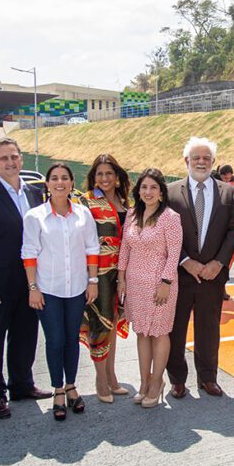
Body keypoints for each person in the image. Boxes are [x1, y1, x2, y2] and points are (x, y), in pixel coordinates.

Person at [0, 137, 51, 420]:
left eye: (14, 157)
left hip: (30, 282)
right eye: (4, 158)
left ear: (21, 159)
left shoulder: (35, 194)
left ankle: (22, 384)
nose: (10, 162)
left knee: (25, 335)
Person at [22, 163, 100, 421]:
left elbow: (92, 248)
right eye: (54, 178)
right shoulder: (35, 216)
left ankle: (71, 386)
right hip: (48, 289)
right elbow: (29, 253)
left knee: (71, 339)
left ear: (71, 183)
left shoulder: (83, 215)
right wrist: (33, 288)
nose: (59, 182)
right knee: (55, 340)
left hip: (77, 288)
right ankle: (57, 388)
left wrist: (93, 281)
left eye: (64, 178)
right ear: (47, 184)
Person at [166, 137, 234, 399]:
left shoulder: (228, 193)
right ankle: (177, 379)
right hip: (180, 273)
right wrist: (185, 261)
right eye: (196, 158)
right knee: (175, 329)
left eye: (206, 158)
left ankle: (208, 377)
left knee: (209, 328)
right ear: (186, 160)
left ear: (213, 162)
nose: (201, 162)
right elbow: (165, 232)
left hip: (212, 274)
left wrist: (219, 263)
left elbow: (233, 230)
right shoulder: (170, 192)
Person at [117, 168, 183, 407]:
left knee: (159, 333)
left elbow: (174, 254)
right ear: (138, 190)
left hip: (159, 284)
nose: (148, 192)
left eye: (153, 187)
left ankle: (157, 382)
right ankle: (144, 382)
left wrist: (166, 282)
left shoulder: (170, 217)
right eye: (144, 187)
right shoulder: (132, 214)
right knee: (142, 333)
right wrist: (121, 277)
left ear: (161, 191)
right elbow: (125, 248)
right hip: (135, 284)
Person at [78, 154, 131, 403]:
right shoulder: (86, 201)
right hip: (97, 274)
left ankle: (112, 377)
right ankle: (100, 380)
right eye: (99, 174)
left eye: (109, 173)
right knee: (100, 325)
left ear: (117, 176)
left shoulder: (124, 201)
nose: (104, 178)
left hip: (121, 274)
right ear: (93, 177)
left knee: (113, 323)